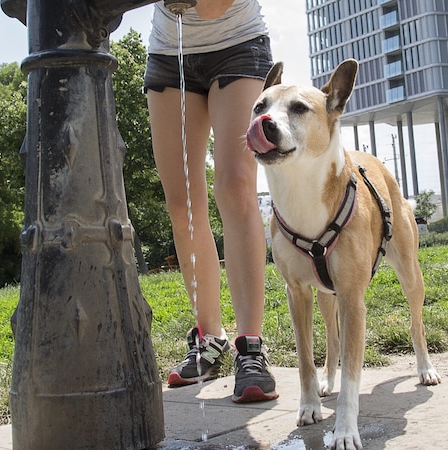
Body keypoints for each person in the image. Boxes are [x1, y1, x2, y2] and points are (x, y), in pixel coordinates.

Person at [143, 0, 277, 403]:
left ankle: (250, 346)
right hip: (169, 53)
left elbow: (214, 8)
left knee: (235, 186)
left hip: (237, 44)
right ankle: (208, 338)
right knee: (181, 203)